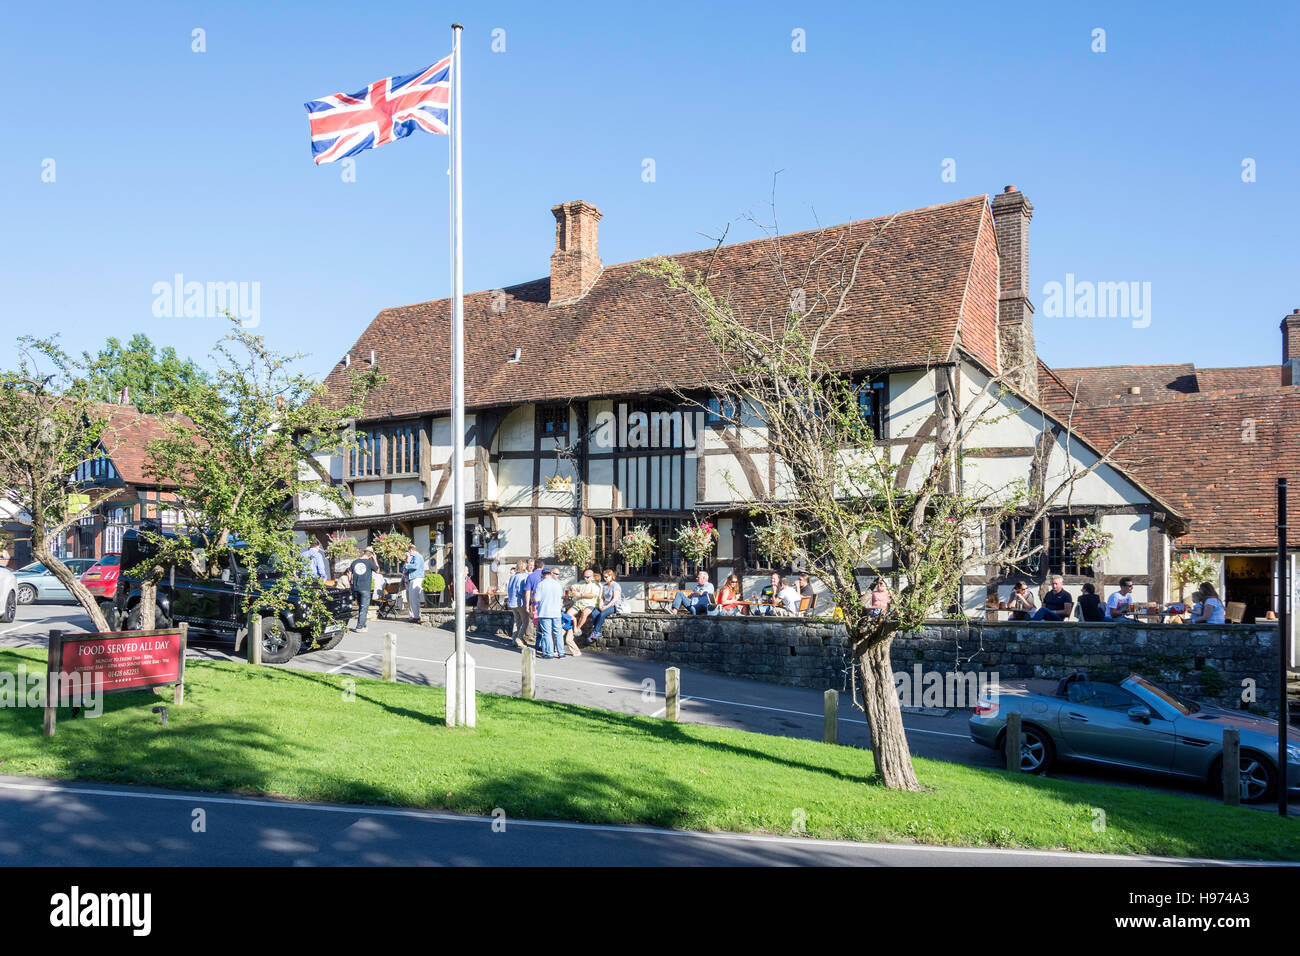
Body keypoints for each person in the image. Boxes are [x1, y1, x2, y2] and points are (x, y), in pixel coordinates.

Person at [534, 567, 565, 659]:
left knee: (547, 633)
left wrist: (532, 598)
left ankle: (549, 653)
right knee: (558, 633)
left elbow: (537, 599)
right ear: (550, 574)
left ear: (542, 575)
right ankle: (561, 652)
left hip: (545, 612)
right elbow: (560, 597)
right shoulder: (558, 584)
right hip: (556, 612)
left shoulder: (541, 584)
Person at [589, 568, 624, 643]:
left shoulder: (616, 586)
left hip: (614, 606)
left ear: (611, 576)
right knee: (594, 613)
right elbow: (602, 597)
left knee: (602, 614)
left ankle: (595, 632)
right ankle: (599, 632)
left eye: (606, 577)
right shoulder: (604, 586)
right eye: (604, 577)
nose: (605, 578)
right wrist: (600, 605)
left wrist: (605, 607)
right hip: (605, 604)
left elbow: (615, 599)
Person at [349, 550, 380, 633]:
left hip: (356, 587)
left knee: (361, 607)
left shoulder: (355, 562)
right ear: (370, 556)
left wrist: (351, 585)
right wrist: (375, 559)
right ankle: (359, 627)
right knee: (364, 608)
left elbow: (350, 574)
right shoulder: (369, 563)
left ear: (363, 553)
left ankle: (363, 624)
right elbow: (377, 571)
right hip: (365, 588)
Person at [569, 568, 602, 637]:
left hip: (590, 604)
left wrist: (580, 594)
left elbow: (592, 595)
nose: (585, 578)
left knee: (584, 613)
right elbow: (572, 586)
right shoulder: (581, 582)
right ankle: (575, 625)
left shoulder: (595, 584)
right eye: (584, 576)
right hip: (578, 604)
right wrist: (573, 589)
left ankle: (578, 629)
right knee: (568, 614)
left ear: (592, 577)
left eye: (587, 577)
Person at [506, 560, 530, 648]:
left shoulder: (513, 576)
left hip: (512, 602)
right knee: (525, 621)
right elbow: (521, 590)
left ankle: (514, 638)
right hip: (520, 602)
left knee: (517, 621)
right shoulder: (522, 577)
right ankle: (519, 638)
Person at [402, 543, 426, 623]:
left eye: (409, 551)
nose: (409, 553)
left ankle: (416, 616)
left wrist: (408, 564)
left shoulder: (417, 557)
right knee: (412, 598)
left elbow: (415, 566)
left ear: (412, 550)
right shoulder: (414, 557)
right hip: (413, 578)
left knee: (414, 598)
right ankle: (415, 615)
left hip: (417, 578)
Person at [523, 559, 545, 644]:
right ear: (542, 567)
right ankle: (544, 644)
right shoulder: (546, 575)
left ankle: (538, 644)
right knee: (545, 625)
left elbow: (527, 592)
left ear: (535, 566)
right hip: (545, 603)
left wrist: (527, 605)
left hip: (535, 604)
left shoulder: (530, 576)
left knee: (538, 625)